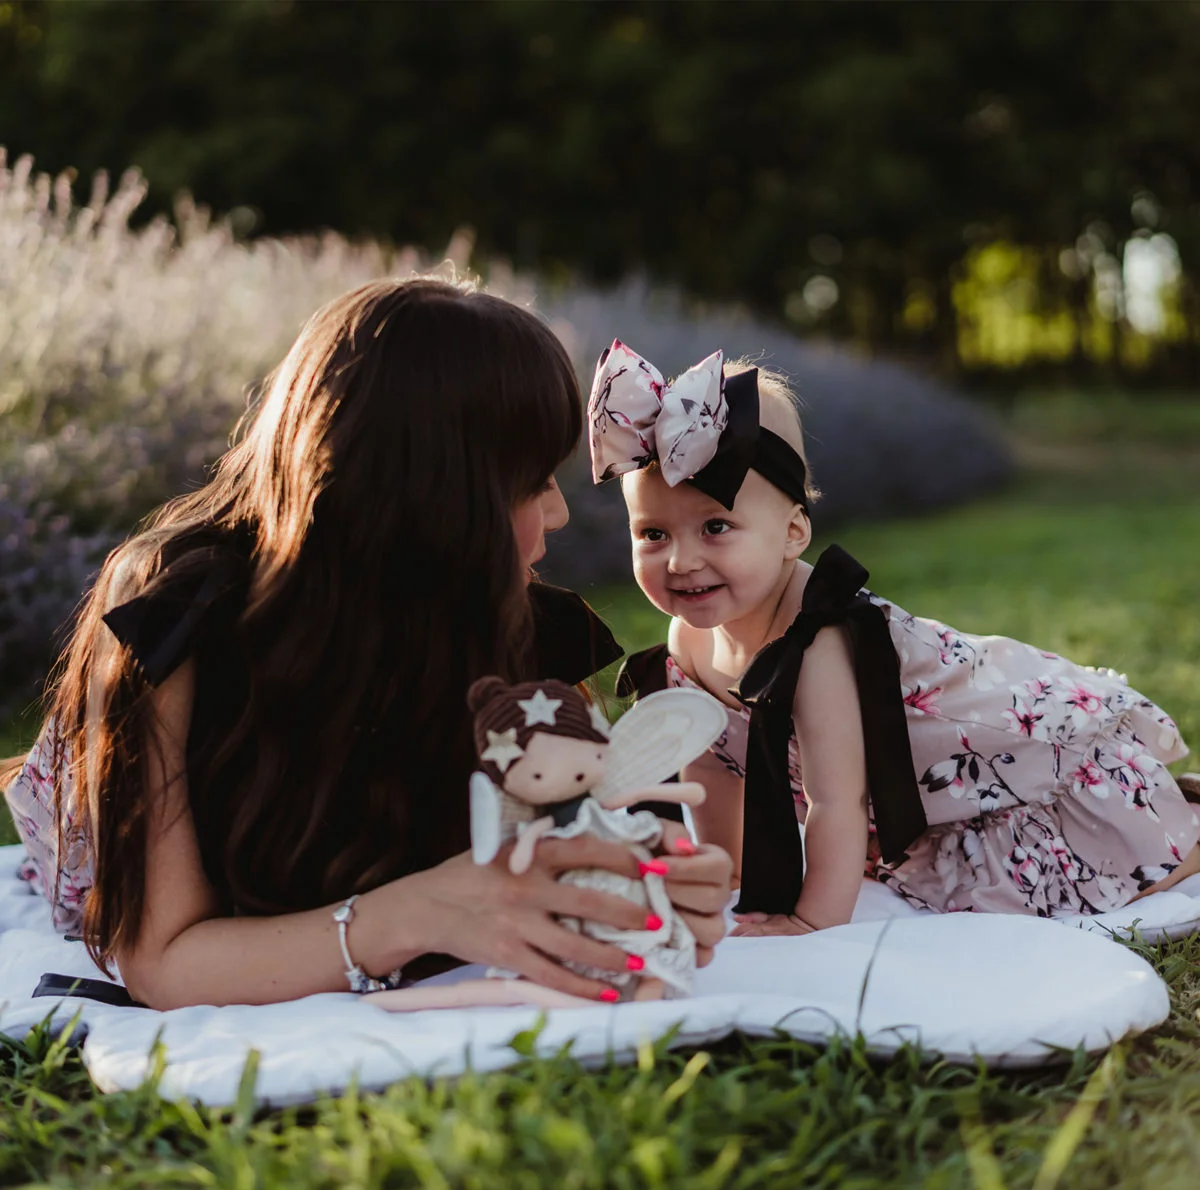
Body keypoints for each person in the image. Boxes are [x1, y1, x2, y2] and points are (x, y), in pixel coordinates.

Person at [0, 281, 733, 1008]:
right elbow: (163, 960)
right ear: (434, 500)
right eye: (531, 480)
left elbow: (594, 830)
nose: (561, 513)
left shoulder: (546, 637)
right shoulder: (178, 614)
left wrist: (657, 886)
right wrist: (413, 914)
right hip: (92, 818)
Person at [590, 339, 1200, 935]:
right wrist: (728, 878)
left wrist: (812, 920)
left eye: (716, 526)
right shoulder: (687, 642)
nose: (680, 562)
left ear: (793, 533)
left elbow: (836, 802)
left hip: (1020, 764)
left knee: (1104, 877)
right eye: (653, 535)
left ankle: (1184, 833)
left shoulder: (820, 639)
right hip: (911, 792)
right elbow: (717, 767)